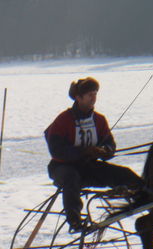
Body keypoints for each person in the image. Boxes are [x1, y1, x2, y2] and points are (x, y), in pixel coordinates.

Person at [45, 77, 145, 233]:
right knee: (71, 178)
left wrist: (105, 151)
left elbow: (110, 145)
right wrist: (83, 152)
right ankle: (75, 221)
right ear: (78, 98)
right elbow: (56, 150)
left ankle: (145, 199)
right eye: (90, 94)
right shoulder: (63, 120)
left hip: (89, 167)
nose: (94, 98)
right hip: (62, 167)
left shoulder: (99, 120)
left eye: (95, 94)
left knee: (124, 173)